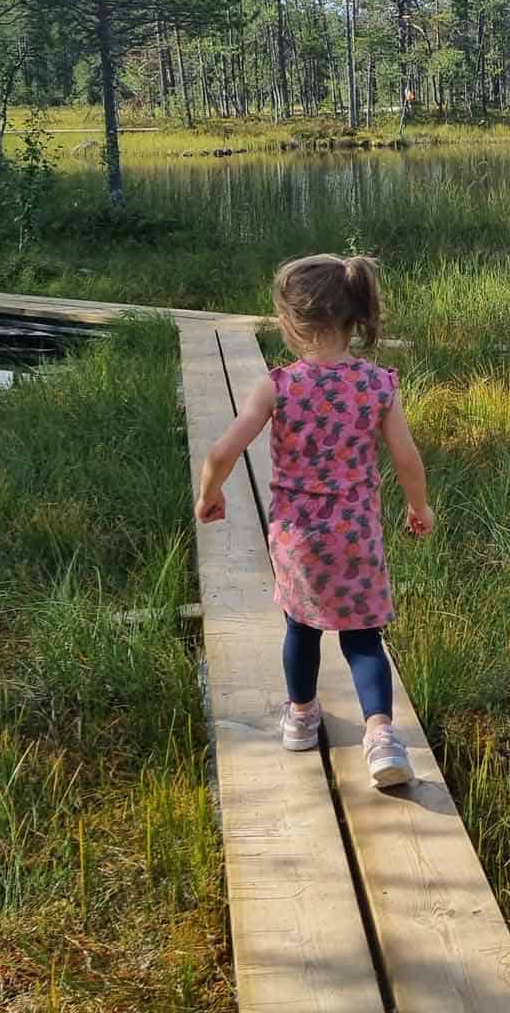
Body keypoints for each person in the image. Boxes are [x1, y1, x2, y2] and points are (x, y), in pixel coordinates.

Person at [194, 253, 434, 788]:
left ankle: (301, 716)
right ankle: (381, 739)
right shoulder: (378, 385)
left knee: (301, 628)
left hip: (297, 539)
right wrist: (419, 507)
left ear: (290, 322)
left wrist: (209, 496)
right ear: (354, 315)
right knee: (363, 637)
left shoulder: (279, 386)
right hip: (357, 536)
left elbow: (220, 451)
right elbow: (407, 459)